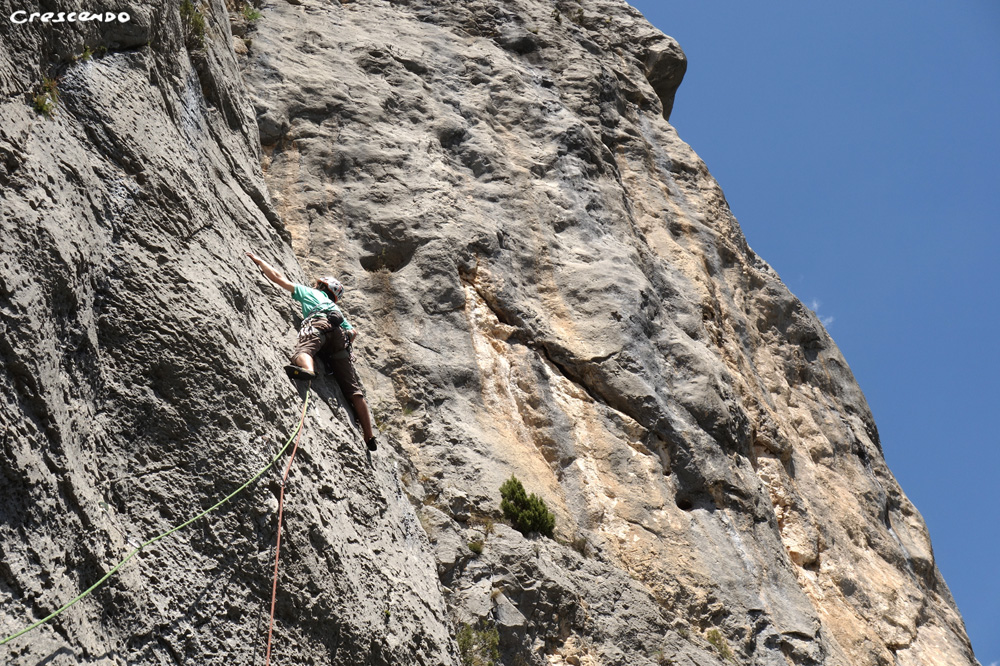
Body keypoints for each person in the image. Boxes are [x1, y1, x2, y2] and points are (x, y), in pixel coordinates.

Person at [247, 251, 378, 451]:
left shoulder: (312, 293)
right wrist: (346, 339)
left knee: (303, 351)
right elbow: (353, 332)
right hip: (339, 338)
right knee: (354, 392)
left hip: (319, 323)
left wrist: (259, 260)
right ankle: (369, 436)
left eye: (318, 284)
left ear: (321, 286)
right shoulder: (336, 309)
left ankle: (308, 369)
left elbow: (278, 278)